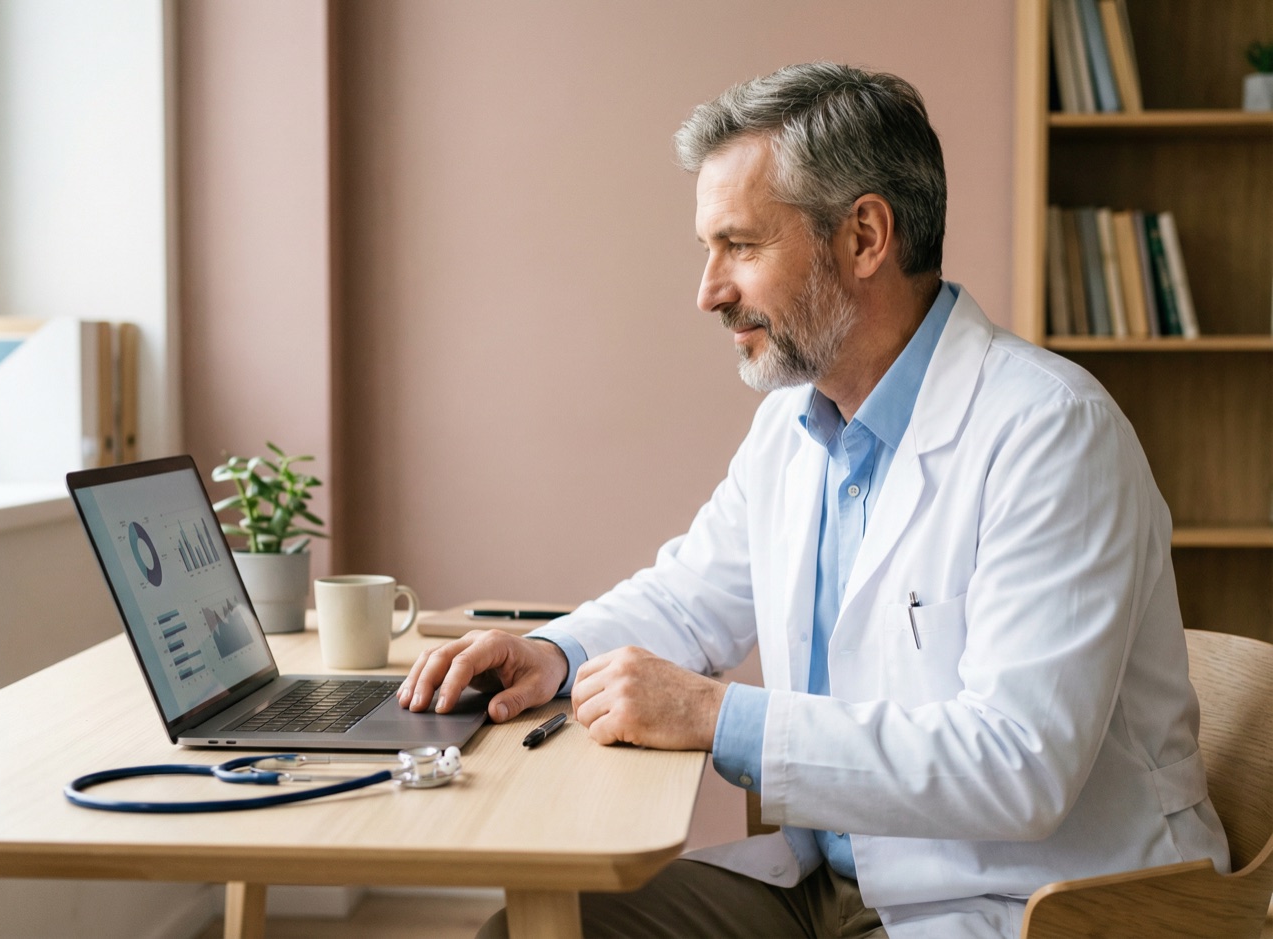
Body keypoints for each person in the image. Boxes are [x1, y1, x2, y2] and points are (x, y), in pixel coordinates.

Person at [399, 62, 1230, 939]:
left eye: (743, 246)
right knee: (530, 932)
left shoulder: (1053, 434)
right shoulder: (798, 422)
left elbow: (1019, 764)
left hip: (1025, 905)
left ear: (865, 237)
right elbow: (692, 594)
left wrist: (717, 717)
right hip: (834, 884)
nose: (710, 291)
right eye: (708, 250)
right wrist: (553, 653)